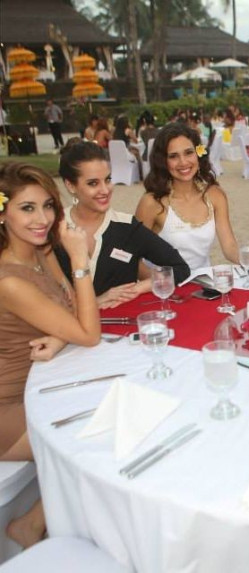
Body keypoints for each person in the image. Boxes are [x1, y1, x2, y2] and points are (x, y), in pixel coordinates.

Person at [0, 162, 100, 548]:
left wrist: (59, 338)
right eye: (27, 208)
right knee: (99, 430)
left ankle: (36, 521)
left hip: (46, 381)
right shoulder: (10, 280)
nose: (42, 219)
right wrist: (80, 259)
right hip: (11, 408)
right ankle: (33, 525)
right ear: (3, 212)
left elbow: (76, 310)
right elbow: (90, 333)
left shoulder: (39, 252)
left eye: (47, 206)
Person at [55, 141, 189, 308]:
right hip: (67, 329)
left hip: (121, 328)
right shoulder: (54, 229)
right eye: (93, 183)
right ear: (70, 185)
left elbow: (180, 269)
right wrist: (96, 302)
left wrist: (138, 288)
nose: (105, 190)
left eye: (107, 179)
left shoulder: (127, 227)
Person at [135, 123, 239, 270]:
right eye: (173, 156)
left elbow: (229, 247)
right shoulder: (151, 202)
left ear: (198, 153)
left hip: (202, 286)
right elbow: (132, 257)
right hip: (164, 288)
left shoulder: (215, 195)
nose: (183, 162)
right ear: (163, 161)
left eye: (189, 152)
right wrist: (160, 282)